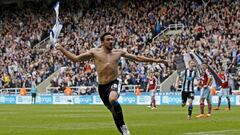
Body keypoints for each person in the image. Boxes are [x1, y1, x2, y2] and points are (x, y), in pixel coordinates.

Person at [56, 32, 168, 135]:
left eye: (112, 39)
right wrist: (61, 49)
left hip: (114, 82)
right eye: (108, 39)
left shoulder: (118, 52)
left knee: (113, 99)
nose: (111, 41)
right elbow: (75, 59)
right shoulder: (94, 52)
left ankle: (123, 125)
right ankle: (123, 131)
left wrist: (157, 60)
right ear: (102, 42)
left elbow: (137, 58)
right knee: (114, 112)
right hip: (102, 87)